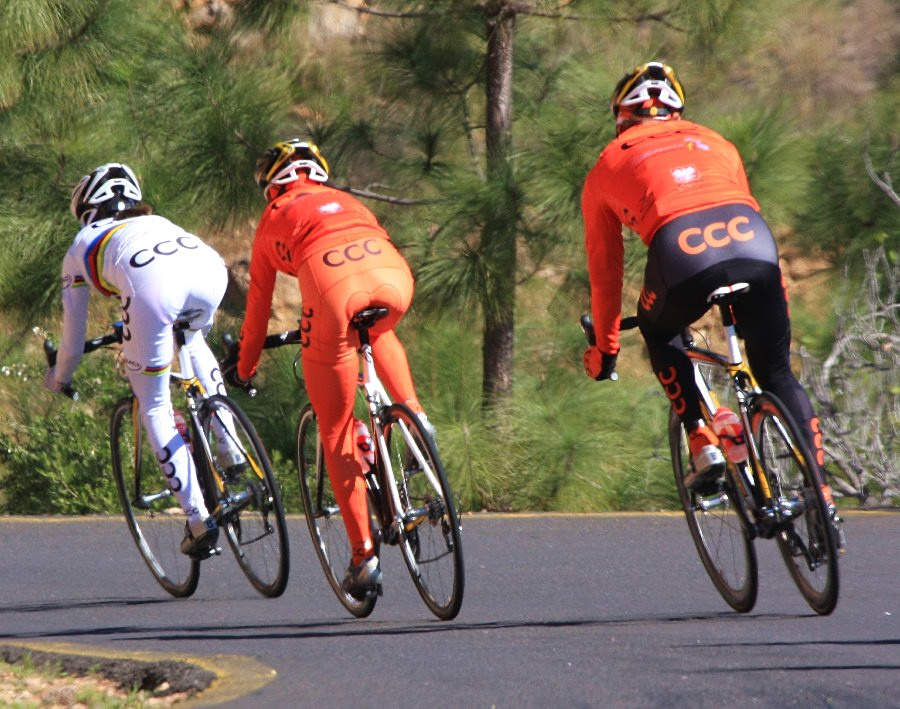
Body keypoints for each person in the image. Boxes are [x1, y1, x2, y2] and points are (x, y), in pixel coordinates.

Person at [580, 62, 834, 504]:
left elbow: (605, 273)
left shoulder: (608, 162)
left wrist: (605, 349)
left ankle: (701, 437)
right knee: (775, 371)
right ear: (677, 112)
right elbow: (745, 213)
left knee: (658, 328)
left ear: (621, 116)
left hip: (681, 251)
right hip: (752, 242)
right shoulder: (717, 142)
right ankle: (823, 497)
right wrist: (776, 291)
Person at [227, 139, 430, 599]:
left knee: (335, 428)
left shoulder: (273, 219)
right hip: (393, 278)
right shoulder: (349, 200)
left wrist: (244, 367)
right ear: (317, 173)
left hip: (331, 284)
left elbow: (257, 312)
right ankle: (417, 424)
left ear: (272, 184)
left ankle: (364, 558)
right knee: (379, 333)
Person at [44, 162, 234, 558]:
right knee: (194, 339)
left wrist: (59, 377)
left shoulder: (82, 244)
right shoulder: (156, 219)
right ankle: (228, 444)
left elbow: (73, 342)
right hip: (209, 270)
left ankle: (199, 520)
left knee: (154, 404)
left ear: (87, 211)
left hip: (152, 286)